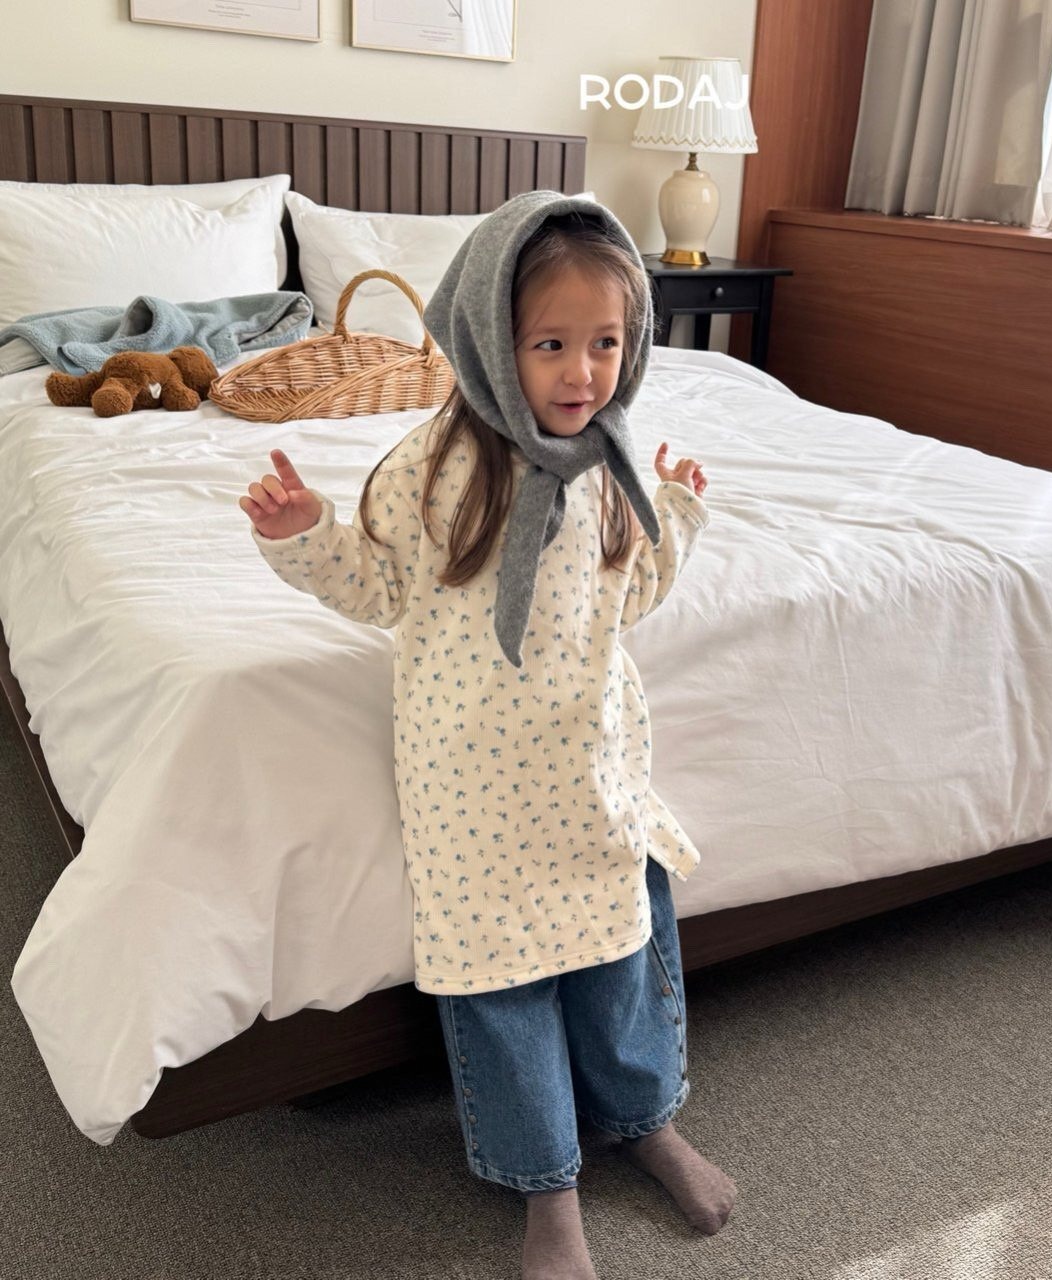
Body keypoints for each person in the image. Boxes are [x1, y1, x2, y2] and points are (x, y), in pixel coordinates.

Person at [240, 190, 736, 1280]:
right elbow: (378, 587)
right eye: (549, 344)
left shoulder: (609, 465)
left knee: (622, 948)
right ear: (486, 338)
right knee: (499, 988)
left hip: (590, 767)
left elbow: (630, 594)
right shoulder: (432, 466)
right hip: (471, 786)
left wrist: (676, 513)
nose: (581, 372)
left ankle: (644, 1119)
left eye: (606, 343)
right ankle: (545, 1186)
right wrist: (306, 535)